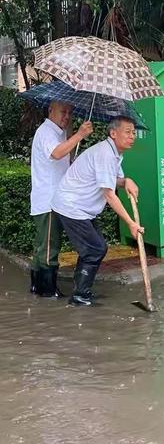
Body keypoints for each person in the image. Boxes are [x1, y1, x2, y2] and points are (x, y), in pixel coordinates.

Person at [52, 116, 142, 306]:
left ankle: (82, 291)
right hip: (72, 206)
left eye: (133, 132)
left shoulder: (113, 153)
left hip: (82, 208)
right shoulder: (105, 154)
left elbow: (113, 179)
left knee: (95, 248)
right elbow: (109, 194)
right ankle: (79, 296)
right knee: (95, 249)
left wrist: (127, 181)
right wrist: (131, 223)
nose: (132, 136)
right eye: (128, 132)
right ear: (113, 133)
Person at [30, 101, 93, 297]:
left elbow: (63, 157)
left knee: (43, 246)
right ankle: (48, 292)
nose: (66, 116)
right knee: (49, 248)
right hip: (48, 201)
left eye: (70, 112)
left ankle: (37, 288)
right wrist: (80, 134)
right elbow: (57, 153)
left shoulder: (58, 132)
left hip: (54, 199)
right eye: (63, 112)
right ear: (50, 110)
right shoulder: (46, 132)